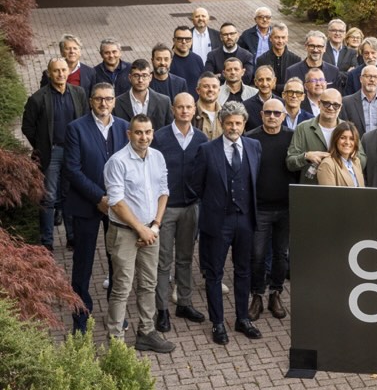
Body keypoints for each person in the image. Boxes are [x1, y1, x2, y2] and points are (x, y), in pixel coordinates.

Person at [188, 102, 263, 345]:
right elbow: (195, 184)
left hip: (245, 219)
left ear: (244, 124)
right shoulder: (207, 150)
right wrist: (214, 203)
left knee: (243, 270)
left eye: (238, 123)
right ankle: (218, 322)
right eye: (229, 123)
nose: (233, 127)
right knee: (214, 273)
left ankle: (243, 318)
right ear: (221, 123)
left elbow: (254, 179)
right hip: (218, 221)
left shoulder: (254, 146)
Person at [102, 114, 172, 352]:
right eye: (139, 132)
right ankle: (116, 341)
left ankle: (146, 332)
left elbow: (163, 192)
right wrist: (140, 229)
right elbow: (116, 202)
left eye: (148, 132)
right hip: (124, 233)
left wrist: (155, 225)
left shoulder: (158, 157)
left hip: (151, 231)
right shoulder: (117, 162)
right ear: (129, 134)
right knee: (122, 287)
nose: (144, 137)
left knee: (149, 284)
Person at [64, 82, 130, 333]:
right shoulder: (76, 128)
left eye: (108, 99)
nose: (104, 103)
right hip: (86, 205)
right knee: (83, 264)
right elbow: (72, 169)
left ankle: (116, 313)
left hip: (117, 206)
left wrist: (114, 199)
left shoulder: (124, 127)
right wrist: (99, 198)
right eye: (99, 99)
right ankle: (81, 318)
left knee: (117, 261)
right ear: (91, 101)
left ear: (114, 101)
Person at [151, 92, 208, 333]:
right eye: (180, 107)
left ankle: (184, 303)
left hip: (191, 207)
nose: (185, 111)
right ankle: (162, 309)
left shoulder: (202, 139)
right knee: (163, 261)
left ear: (194, 110)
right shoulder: (160, 137)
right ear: (173, 109)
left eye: (189, 107)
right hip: (166, 209)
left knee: (185, 258)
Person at [22, 57, 88, 251]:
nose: (60, 74)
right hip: (51, 153)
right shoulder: (38, 98)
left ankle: (72, 238)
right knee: (48, 197)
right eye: (56, 70)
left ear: (68, 71)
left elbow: (85, 119)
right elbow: (27, 127)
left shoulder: (79, 93)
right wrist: (41, 145)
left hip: (73, 152)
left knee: (70, 195)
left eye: (63, 70)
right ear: (49, 73)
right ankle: (47, 242)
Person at [246, 98, 296, 321]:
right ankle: (257, 295)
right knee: (257, 255)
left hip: (285, 208)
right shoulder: (250, 138)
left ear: (284, 116)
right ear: (261, 114)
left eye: (277, 113)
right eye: (268, 113)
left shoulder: (292, 137)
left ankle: (275, 294)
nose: (272, 117)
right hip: (260, 209)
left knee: (280, 255)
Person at [286, 88, 362, 184]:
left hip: (342, 187)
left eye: (335, 105)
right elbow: (290, 162)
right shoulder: (303, 128)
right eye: (326, 103)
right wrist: (306, 157)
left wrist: (347, 156)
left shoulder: (348, 130)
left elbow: (362, 158)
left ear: (340, 107)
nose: (331, 108)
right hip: (311, 187)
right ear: (319, 103)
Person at [114, 59, 173, 130]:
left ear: (150, 77)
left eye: (144, 76)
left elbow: (169, 130)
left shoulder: (164, 102)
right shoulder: (117, 103)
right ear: (130, 77)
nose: (140, 80)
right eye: (136, 76)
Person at [316, 120, 365, 187]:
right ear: (335, 140)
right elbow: (328, 193)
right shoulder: (327, 164)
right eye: (343, 138)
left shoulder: (356, 161)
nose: (347, 142)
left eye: (351, 139)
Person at [340, 64, 377, 136]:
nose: (372, 80)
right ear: (361, 79)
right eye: (368, 76)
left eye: (375, 77)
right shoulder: (347, 102)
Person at [255, 23, 302, 89]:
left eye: (283, 37)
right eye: (277, 37)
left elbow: (297, 85)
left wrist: (275, 87)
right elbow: (259, 84)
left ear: (287, 39)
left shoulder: (296, 60)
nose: (280, 41)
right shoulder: (262, 60)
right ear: (270, 38)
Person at [170, 26, 206, 91]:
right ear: (174, 40)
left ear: (192, 41)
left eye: (187, 39)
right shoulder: (168, 61)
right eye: (180, 39)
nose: (184, 42)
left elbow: (203, 82)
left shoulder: (197, 59)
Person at [242, 66, 278, 131]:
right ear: (255, 82)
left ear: (274, 81)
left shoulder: (282, 104)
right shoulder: (245, 106)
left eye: (268, 79)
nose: (264, 84)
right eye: (261, 80)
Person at [192, 72, 224, 140]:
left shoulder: (226, 113)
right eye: (206, 86)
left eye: (214, 87)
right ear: (198, 90)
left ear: (219, 91)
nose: (210, 90)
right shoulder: (190, 113)